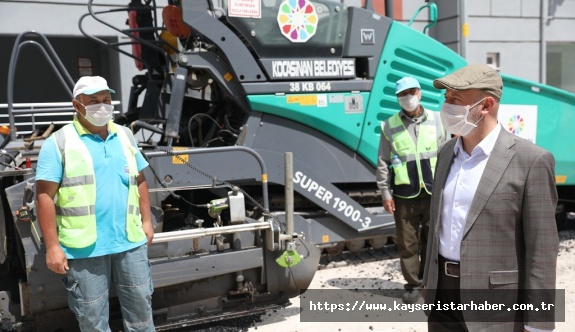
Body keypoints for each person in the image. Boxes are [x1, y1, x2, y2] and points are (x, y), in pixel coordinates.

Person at [423, 64, 559, 332]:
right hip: (442, 296)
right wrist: (429, 282)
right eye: (446, 99)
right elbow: (436, 225)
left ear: (485, 105)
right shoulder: (446, 153)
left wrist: (539, 323)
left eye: (456, 100)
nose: (446, 107)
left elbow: (542, 248)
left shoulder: (531, 160)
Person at [36, 76, 156, 331]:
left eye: (106, 100)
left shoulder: (124, 135)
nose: (102, 106)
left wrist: (147, 221)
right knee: (92, 320)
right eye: (93, 101)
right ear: (76, 105)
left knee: (142, 315)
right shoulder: (58, 143)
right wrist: (52, 247)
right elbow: (44, 196)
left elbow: (140, 178)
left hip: (129, 241)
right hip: (84, 248)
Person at [376, 76, 447, 304]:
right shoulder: (389, 125)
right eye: (402, 94)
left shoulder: (438, 120)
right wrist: (385, 193)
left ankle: (430, 283)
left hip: (434, 192)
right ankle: (413, 285)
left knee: (432, 240)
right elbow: (382, 162)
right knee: (407, 243)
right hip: (404, 195)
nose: (408, 97)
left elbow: (448, 155)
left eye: (411, 92)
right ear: (398, 99)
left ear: (420, 93)